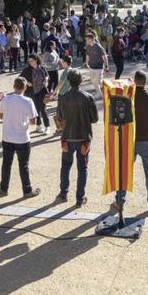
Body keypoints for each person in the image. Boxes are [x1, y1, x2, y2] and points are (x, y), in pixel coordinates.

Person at [117, 70, 148, 214]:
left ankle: (119, 200)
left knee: (124, 171)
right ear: (146, 82)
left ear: (134, 81)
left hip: (130, 140)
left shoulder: (128, 98)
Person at [0, 77, 42, 199]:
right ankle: (27, 189)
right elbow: (33, 121)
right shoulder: (28, 101)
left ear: (14, 86)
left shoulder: (6, 99)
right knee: (23, 165)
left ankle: (3, 188)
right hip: (22, 138)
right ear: (24, 88)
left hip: (8, 136)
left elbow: (1, 116)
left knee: (6, 163)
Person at [56, 70, 99, 206]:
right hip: (83, 137)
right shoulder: (88, 97)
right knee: (82, 168)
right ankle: (79, 198)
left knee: (65, 166)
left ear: (68, 81)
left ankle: (63, 193)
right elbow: (94, 118)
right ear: (81, 81)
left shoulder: (62, 98)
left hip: (67, 137)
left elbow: (60, 118)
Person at [25, 53, 50, 134]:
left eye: (32, 61)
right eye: (29, 61)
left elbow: (47, 75)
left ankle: (47, 127)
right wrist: (28, 83)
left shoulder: (42, 68)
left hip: (42, 91)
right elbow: (20, 78)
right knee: (36, 110)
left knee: (43, 109)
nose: (30, 63)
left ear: (36, 60)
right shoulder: (27, 70)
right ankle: (38, 126)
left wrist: (46, 79)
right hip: (32, 92)